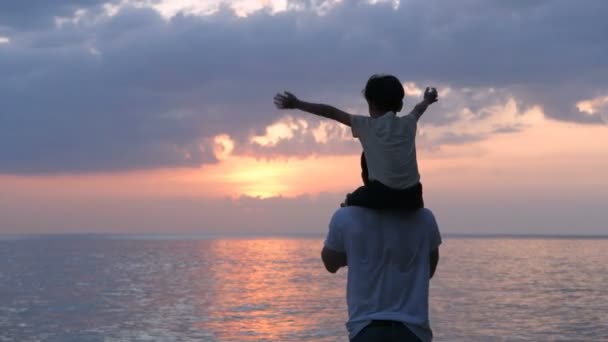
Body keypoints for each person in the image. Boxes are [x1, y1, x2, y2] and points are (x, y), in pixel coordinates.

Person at [274, 74, 438, 210]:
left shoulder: (367, 125)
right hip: (414, 197)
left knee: (351, 200)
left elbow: (330, 112)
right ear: (401, 105)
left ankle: (346, 212)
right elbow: (419, 109)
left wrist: (297, 104)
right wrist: (428, 100)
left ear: (371, 104)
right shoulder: (408, 123)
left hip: (382, 194)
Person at [322, 206, 441, 342]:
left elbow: (330, 264)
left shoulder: (346, 216)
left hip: (366, 328)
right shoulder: (425, 218)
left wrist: (356, 249)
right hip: (413, 331)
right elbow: (428, 271)